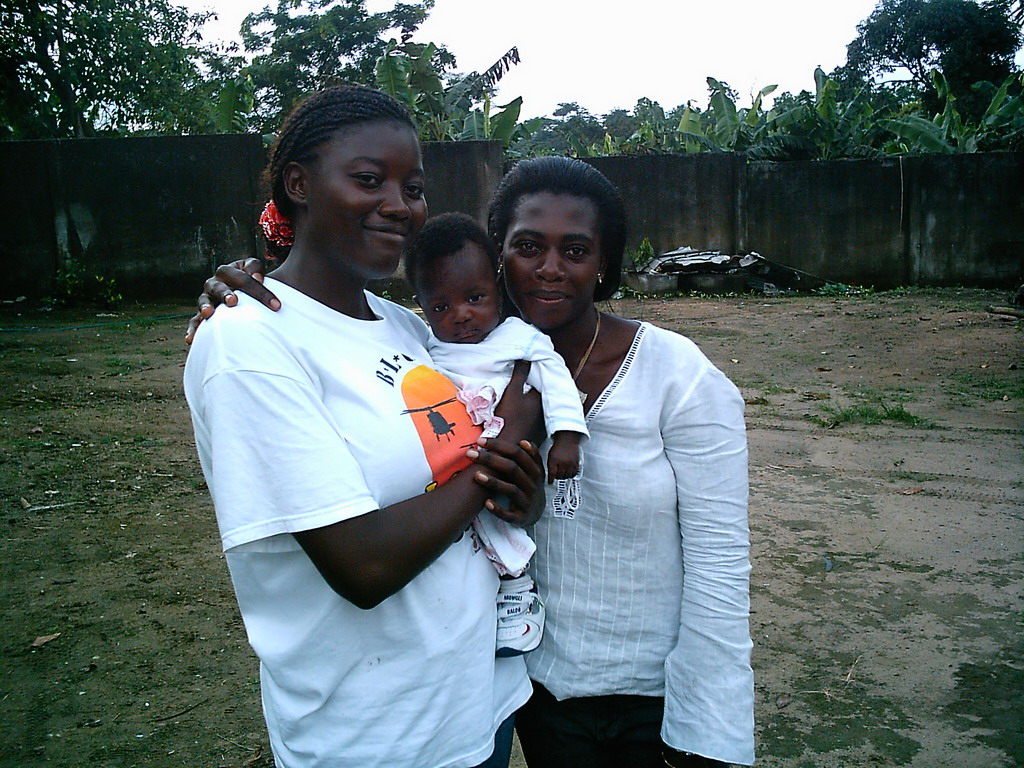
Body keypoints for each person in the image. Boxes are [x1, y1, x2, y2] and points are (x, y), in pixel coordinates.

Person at [188, 157, 755, 767]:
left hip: (647, 697)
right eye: (527, 246)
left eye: (578, 250)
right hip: (521, 688)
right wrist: (240, 295)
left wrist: (708, 722)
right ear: (494, 256)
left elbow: (720, 561)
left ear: (605, 262)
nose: (549, 268)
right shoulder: (433, 353)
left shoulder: (680, 377)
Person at [183, 84, 546, 768]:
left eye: (413, 187)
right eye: (368, 179)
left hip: (478, 705)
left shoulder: (409, 326)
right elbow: (363, 564)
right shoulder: (247, 343)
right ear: (299, 184)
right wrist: (495, 457)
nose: (400, 205)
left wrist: (517, 487)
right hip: (376, 737)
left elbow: (482, 493)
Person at [406, 212, 589, 656]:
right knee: (466, 530)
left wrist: (567, 436)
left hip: (507, 460)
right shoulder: (428, 348)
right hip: (457, 460)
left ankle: (518, 590)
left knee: (503, 518)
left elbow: (557, 380)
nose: (461, 316)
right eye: (441, 307)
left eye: (475, 297)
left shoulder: (519, 338)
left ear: (496, 286)